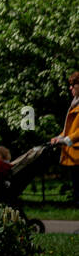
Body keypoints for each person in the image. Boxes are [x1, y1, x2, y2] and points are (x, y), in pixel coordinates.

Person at [49, 73, 79, 205]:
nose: (70, 88)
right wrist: (59, 137)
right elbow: (69, 129)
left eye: (73, 85)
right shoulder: (74, 104)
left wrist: (66, 140)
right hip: (74, 155)